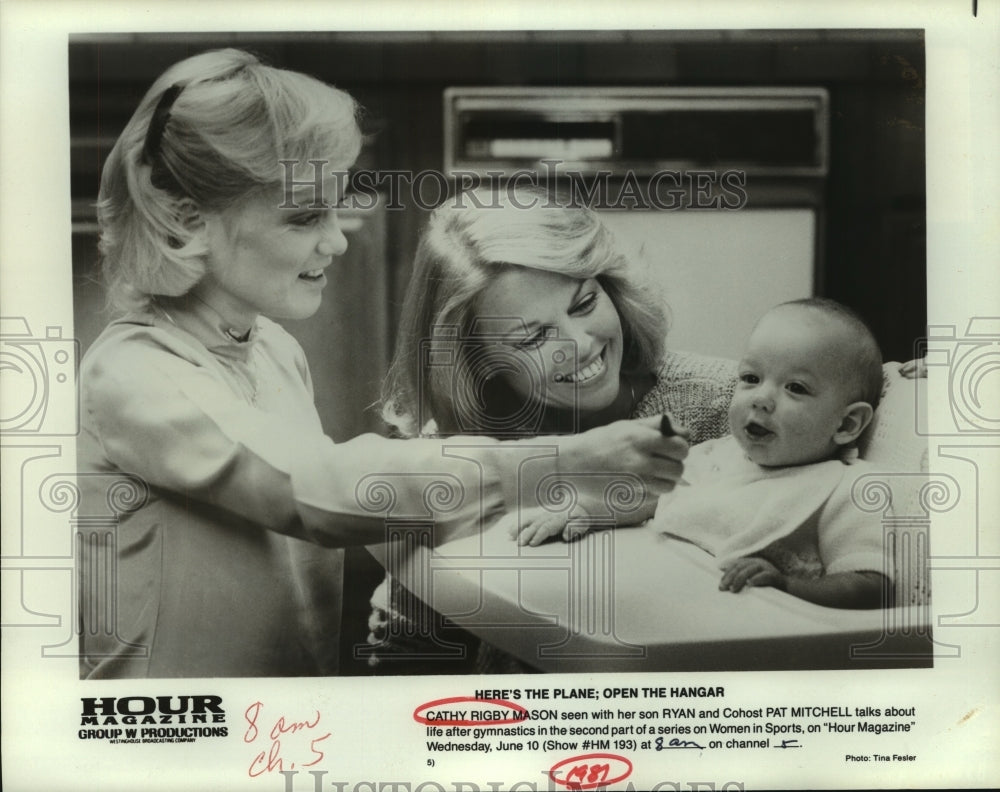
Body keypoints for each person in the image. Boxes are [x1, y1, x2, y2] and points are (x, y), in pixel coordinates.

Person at [77, 50, 688, 679]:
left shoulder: (271, 350)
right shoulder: (131, 374)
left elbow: (350, 515)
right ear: (186, 222)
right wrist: (566, 463)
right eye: (304, 217)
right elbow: (313, 490)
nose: (337, 239)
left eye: (336, 207)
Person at [368, 187, 740, 671]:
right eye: (533, 337)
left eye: (584, 304)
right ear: (476, 363)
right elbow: (404, 641)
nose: (580, 345)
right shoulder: (457, 454)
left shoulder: (728, 405)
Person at [519, 298, 892, 609]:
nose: (760, 398)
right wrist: (587, 511)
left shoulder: (847, 490)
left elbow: (872, 585)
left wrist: (787, 588)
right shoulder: (717, 456)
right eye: (750, 378)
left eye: (795, 388)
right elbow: (656, 499)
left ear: (846, 425)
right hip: (675, 609)